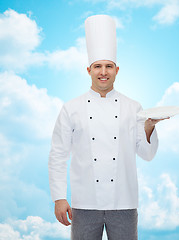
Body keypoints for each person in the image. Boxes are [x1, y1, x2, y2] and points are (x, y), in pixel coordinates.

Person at [48, 15, 166, 240]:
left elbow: (147, 154)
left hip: (124, 201)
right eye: (98, 66)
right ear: (89, 70)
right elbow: (58, 155)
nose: (103, 72)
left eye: (108, 66)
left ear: (117, 70)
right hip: (84, 202)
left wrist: (149, 127)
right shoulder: (71, 108)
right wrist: (59, 198)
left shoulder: (134, 107)